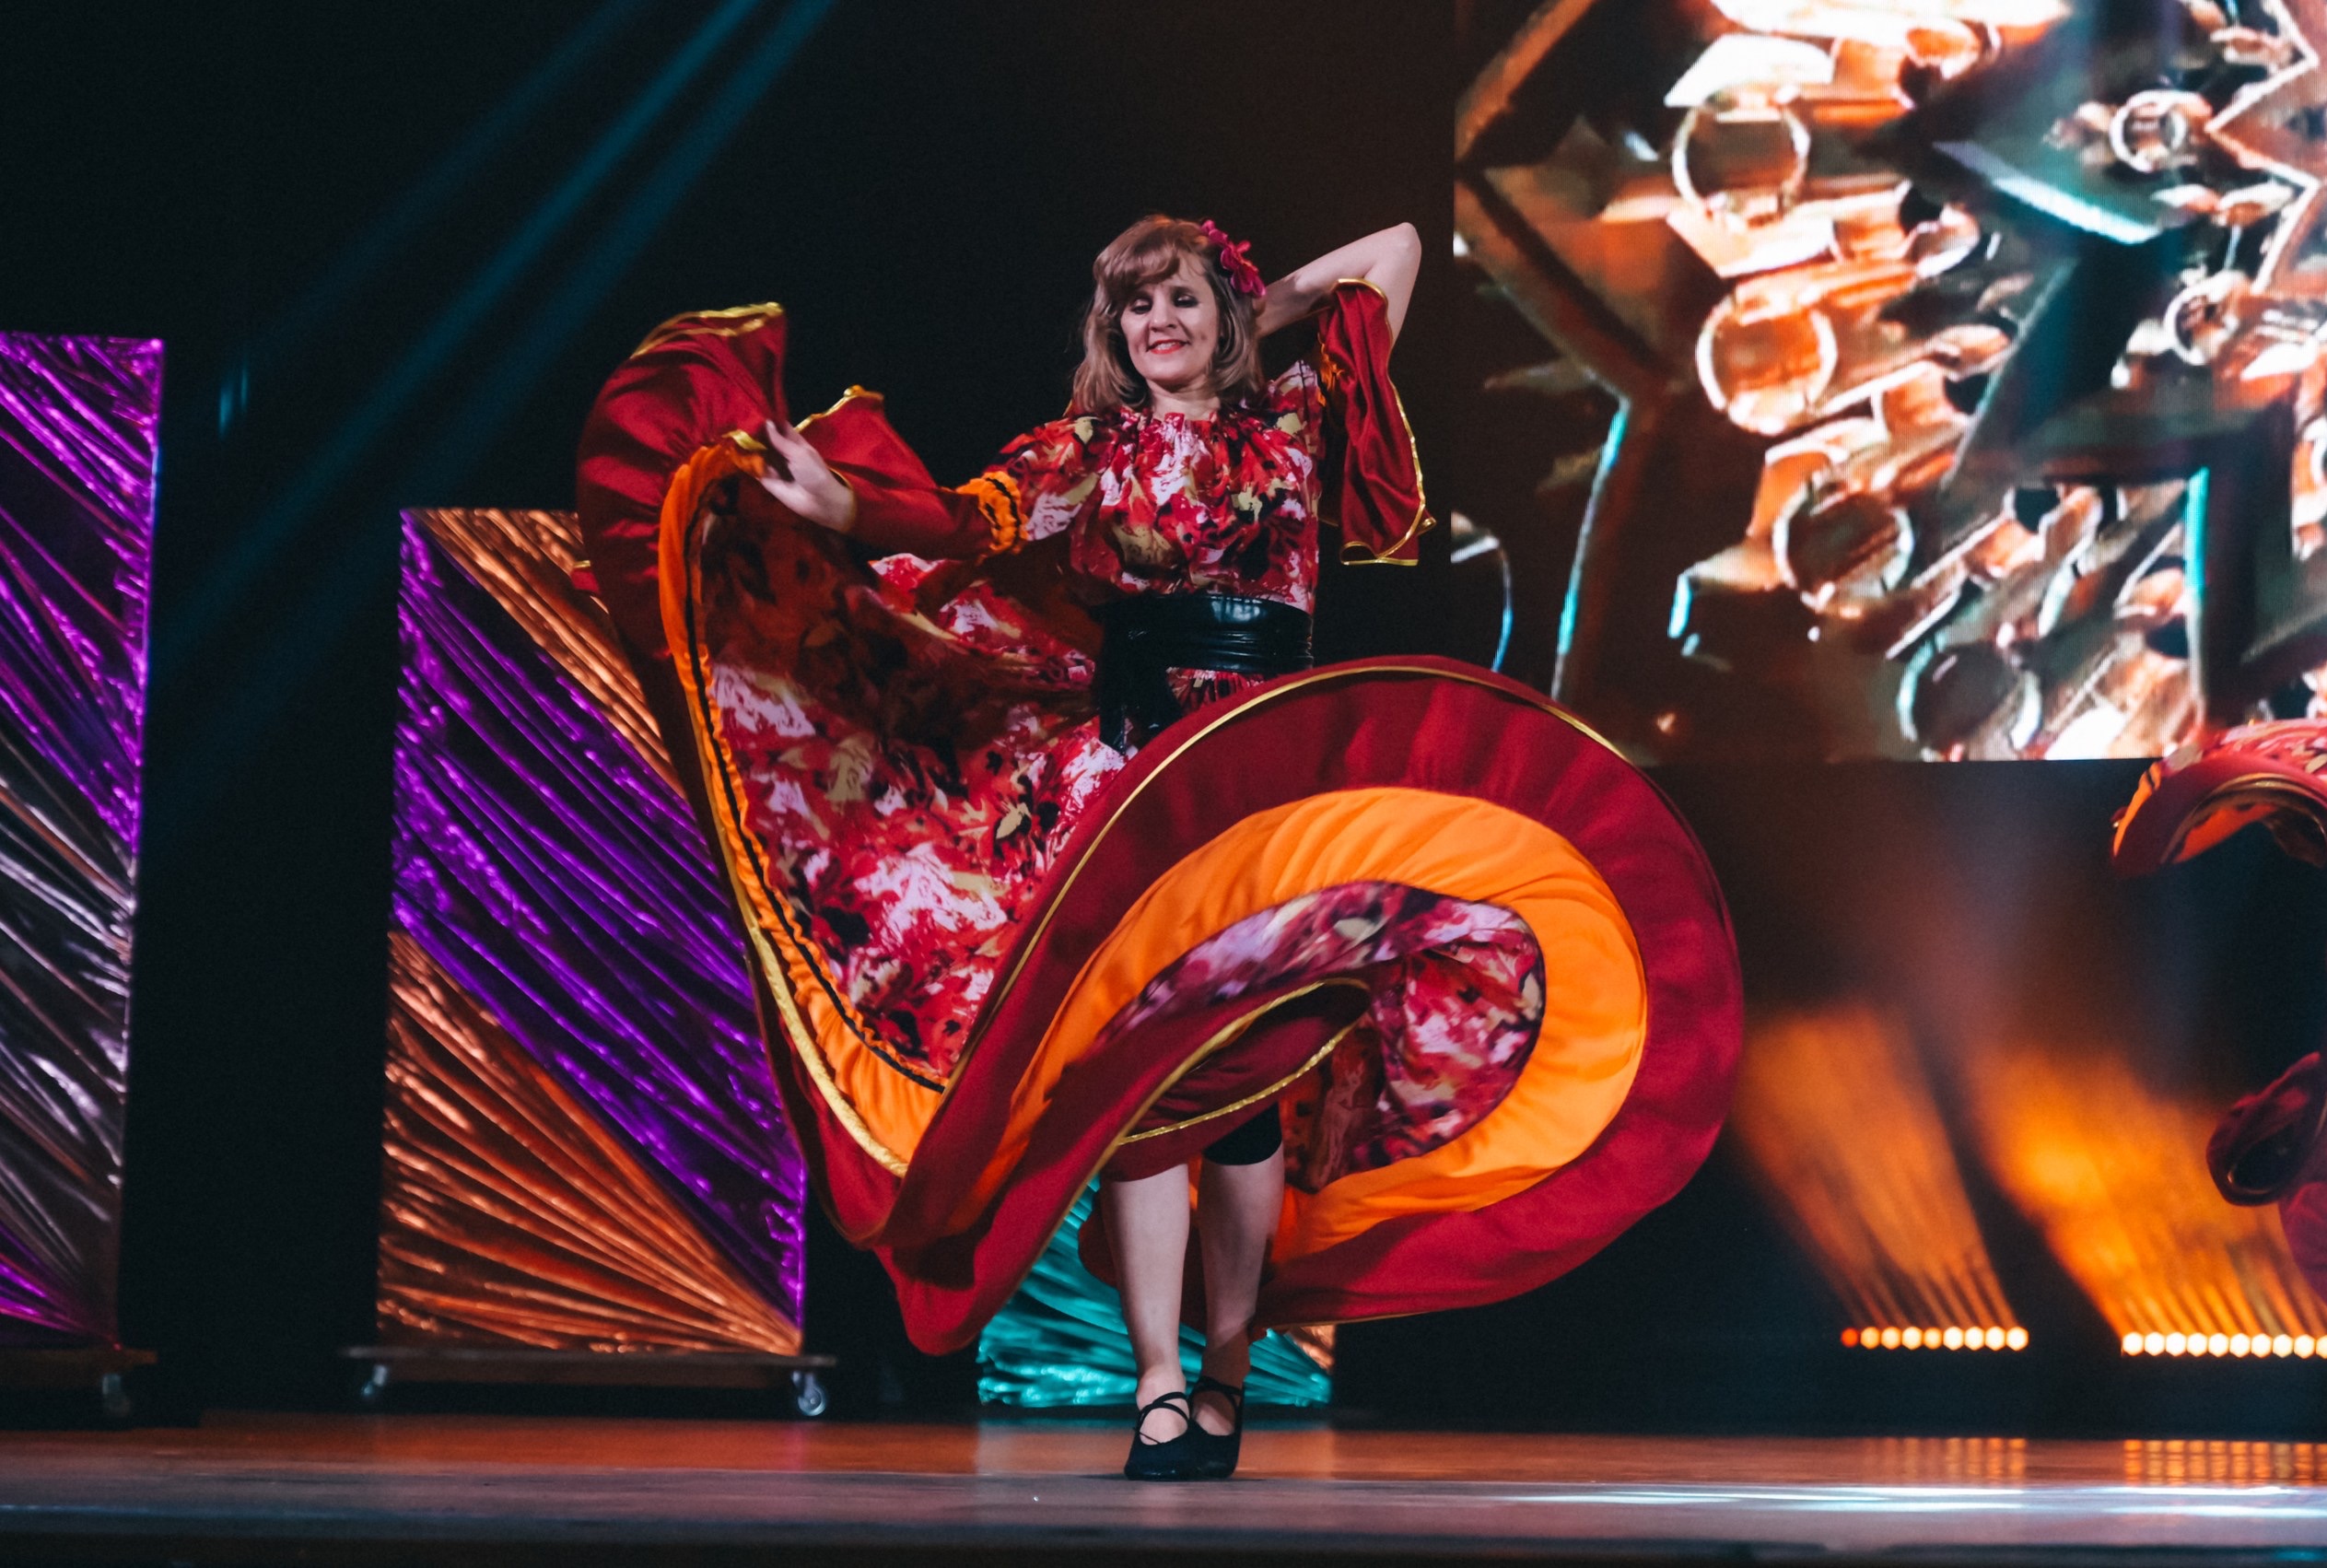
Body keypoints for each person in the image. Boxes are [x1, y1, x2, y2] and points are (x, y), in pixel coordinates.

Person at [575, 217, 1742, 1481]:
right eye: (1135, 307)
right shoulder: (1089, 449)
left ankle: (1227, 1365)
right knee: (1145, 1101)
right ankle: (1158, 1385)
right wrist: (843, 505)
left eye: (1178, 300)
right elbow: (968, 519)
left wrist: (1247, 306)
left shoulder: (1293, 420)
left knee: (1247, 1100)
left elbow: (1401, 248)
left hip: (1278, 786)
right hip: (1144, 786)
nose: (1156, 325)